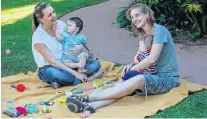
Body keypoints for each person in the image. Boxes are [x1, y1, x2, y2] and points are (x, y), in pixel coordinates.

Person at [66, 3, 180, 113]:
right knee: (123, 86)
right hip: (151, 74)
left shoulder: (159, 31)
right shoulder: (142, 34)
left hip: (167, 79)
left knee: (137, 79)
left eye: (137, 15)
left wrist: (133, 69)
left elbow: (152, 59)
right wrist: (132, 65)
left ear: (148, 14)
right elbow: (143, 58)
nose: (134, 19)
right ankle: (91, 106)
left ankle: (85, 98)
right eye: (132, 17)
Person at [31, 2, 101, 89]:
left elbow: (74, 39)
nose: (54, 15)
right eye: (49, 15)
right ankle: (87, 78)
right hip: (51, 67)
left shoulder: (61, 24)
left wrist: (80, 47)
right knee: (58, 75)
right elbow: (53, 61)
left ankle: (61, 82)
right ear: (41, 19)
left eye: (53, 12)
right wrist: (75, 73)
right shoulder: (38, 36)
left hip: (69, 62)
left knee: (95, 64)